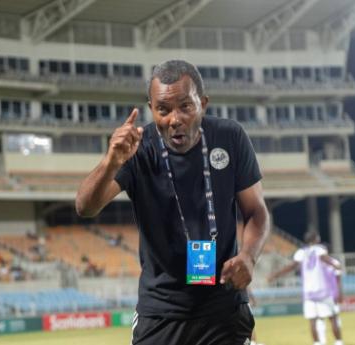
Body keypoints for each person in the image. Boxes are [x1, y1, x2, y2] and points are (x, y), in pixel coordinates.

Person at [76, 59, 270, 345]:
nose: (174, 119)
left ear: (202, 103)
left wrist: (249, 257)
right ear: (151, 108)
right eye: (163, 109)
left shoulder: (230, 137)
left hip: (223, 306)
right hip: (160, 311)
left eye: (185, 106)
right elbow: (85, 206)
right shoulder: (138, 149)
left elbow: (256, 212)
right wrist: (111, 161)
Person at [267, 230, 343, 345]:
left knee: (312, 320)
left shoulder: (301, 252)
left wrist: (276, 274)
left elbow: (292, 266)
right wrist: (335, 264)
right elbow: (324, 258)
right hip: (322, 290)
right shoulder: (319, 249)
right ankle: (338, 342)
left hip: (308, 292)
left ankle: (317, 343)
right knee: (332, 317)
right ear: (316, 239)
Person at [316, 253, 343, 345]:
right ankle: (323, 341)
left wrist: (339, 293)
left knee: (333, 318)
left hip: (331, 295)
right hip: (321, 295)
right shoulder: (317, 263)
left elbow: (338, 279)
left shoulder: (334, 263)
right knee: (322, 318)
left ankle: (338, 341)